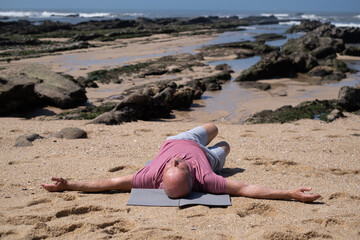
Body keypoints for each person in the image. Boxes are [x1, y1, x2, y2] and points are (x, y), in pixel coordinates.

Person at [41, 123, 321, 202]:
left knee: (212, 126)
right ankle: (218, 148)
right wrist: (290, 194)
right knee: (224, 145)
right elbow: (246, 188)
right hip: (208, 157)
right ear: (194, 178)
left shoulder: (149, 175)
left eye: (171, 166)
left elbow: (109, 183)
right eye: (178, 166)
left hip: (180, 137)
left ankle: (207, 132)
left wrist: (70, 185)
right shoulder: (207, 179)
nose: (175, 161)